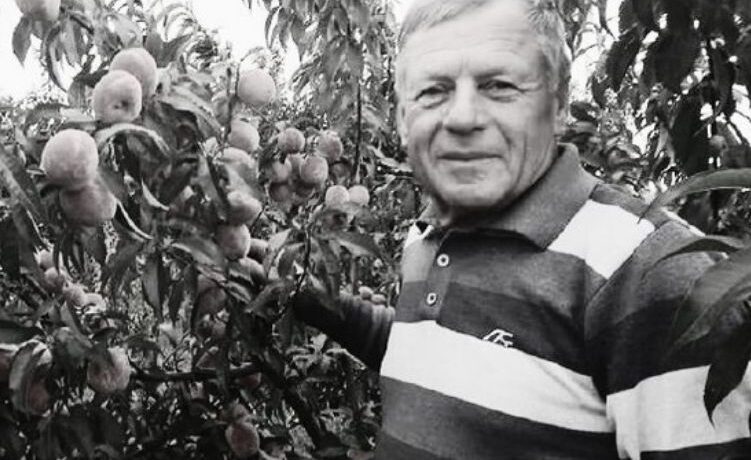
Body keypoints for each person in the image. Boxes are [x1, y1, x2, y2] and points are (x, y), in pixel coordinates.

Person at [294, 0, 751, 458]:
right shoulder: (427, 233)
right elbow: (429, 363)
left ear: (559, 104)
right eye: (432, 90)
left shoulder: (654, 271)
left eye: (499, 85)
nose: (462, 118)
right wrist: (309, 297)